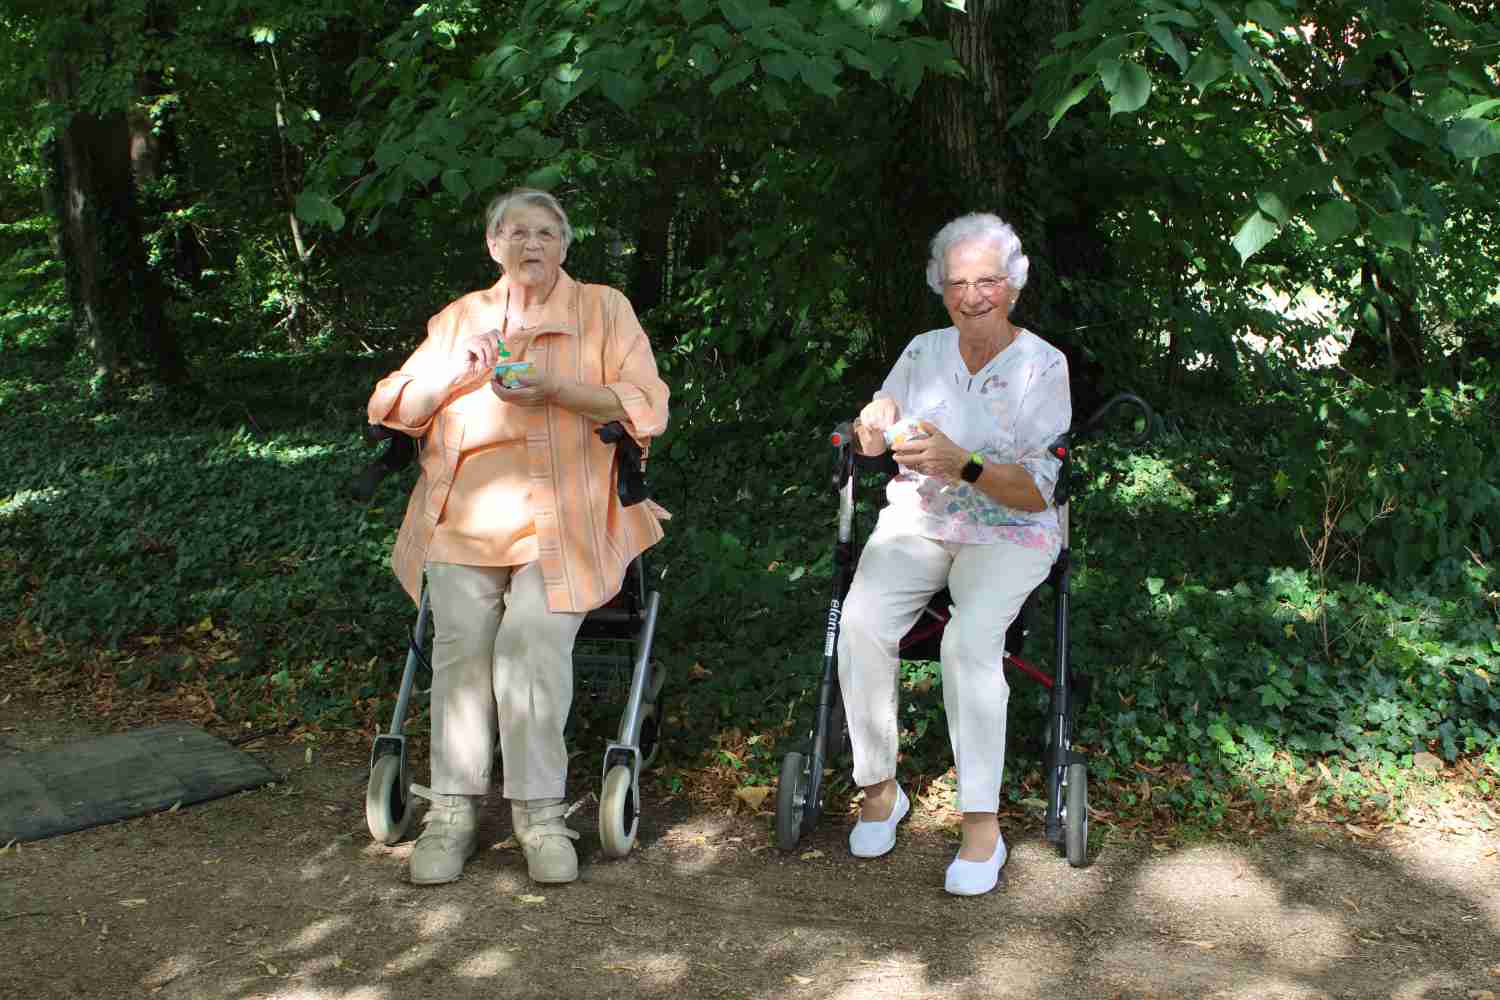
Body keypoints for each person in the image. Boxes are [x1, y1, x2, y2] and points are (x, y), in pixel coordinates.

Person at [366, 188, 670, 886]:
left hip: (568, 519)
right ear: (493, 245)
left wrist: (556, 387)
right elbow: (391, 407)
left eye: (545, 233)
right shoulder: (461, 318)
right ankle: (452, 814)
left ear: (565, 245)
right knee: (461, 650)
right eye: (516, 233)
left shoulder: (604, 309)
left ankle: (538, 816)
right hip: (462, 519)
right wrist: (456, 372)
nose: (531, 245)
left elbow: (646, 404)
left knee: (530, 643)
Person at [840, 212, 1071, 896]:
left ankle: (980, 825)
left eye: (987, 282)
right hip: (921, 518)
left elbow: (1037, 489)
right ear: (940, 287)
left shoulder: (1043, 365)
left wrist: (962, 464)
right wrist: (873, 425)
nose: (972, 297)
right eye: (957, 283)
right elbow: (876, 432)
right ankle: (879, 789)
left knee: (968, 642)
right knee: (860, 623)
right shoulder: (923, 350)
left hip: (1010, 528)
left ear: (1014, 286)